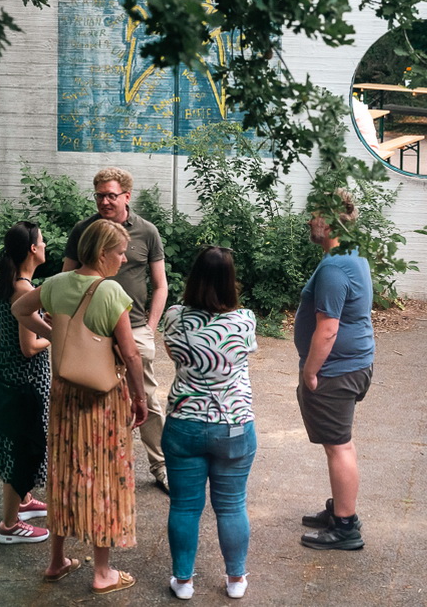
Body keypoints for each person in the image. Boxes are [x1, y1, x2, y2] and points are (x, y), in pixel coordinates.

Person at [13, 219, 148, 595]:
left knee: (64, 472)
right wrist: (140, 398)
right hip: (102, 399)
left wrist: (54, 334)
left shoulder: (56, 283)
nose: (123, 259)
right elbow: (131, 354)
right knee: (103, 475)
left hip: (65, 395)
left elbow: (20, 309)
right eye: (120, 252)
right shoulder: (110, 292)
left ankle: (56, 561)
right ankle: (102, 572)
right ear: (103, 253)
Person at [63, 167, 170, 495]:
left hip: (135, 328)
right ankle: (98, 467)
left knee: (146, 397)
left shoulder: (147, 231)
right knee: (96, 399)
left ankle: (161, 466)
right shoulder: (84, 230)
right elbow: (67, 279)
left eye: (111, 195)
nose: (104, 201)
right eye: (99, 196)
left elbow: (160, 285)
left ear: (126, 196)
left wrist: (150, 327)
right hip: (93, 331)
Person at [161, 246, 258, 600]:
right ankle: (235, 579)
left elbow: (175, 357)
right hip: (233, 424)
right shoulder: (244, 320)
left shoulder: (174, 317)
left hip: (184, 422)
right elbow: (243, 356)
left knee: (184, 506)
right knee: (232, 505)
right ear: (230, 281)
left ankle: (184, 581)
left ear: (195, 278)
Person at [294, 189, 373, 551]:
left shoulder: (334, 266)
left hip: (336, 371)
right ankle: (342, 509)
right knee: (339, 444)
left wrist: (311, 371)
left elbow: (328, 329)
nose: (309, 220)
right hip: (354, 363)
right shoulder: (351, 253)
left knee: (339, 446)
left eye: (314, 214)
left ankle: (345, 526)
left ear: (327, 221)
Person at [0, 221, 51, 544]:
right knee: (22, 447)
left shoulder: (10, 282)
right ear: (32, 249)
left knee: (18, 441)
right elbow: (29, 347)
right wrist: (55, 335)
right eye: (42, 241)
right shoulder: (25, 290)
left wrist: (42, 323)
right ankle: (10, 525)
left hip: (8, 374)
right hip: (25, 380)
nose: (45, 245)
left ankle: (24, 501)